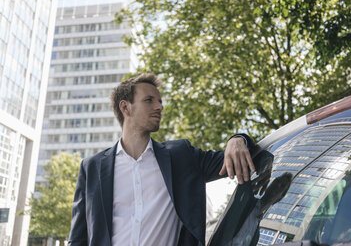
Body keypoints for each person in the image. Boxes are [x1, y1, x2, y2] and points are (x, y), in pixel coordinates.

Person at [68, 73, 259, 246]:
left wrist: (237, 139)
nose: (159, 106)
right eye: (149, 100)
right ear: (125, 107)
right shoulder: (91, 167)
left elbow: (236, 158)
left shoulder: (181, 157)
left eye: (159, 101)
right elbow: (78, 238)